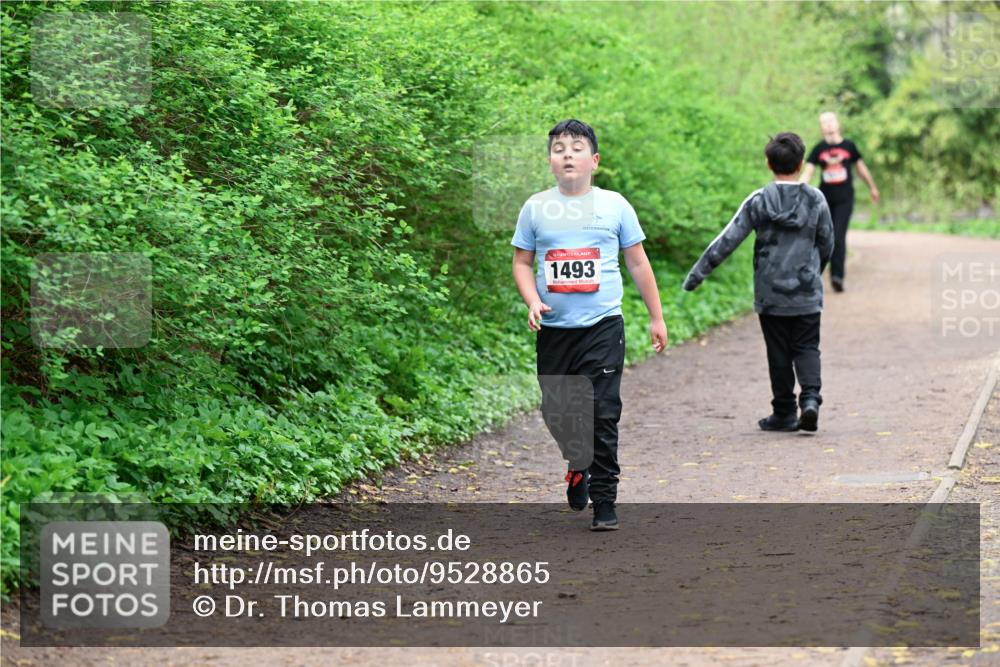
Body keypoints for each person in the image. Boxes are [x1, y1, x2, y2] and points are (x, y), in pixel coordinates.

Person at [511, 119, 668, 531]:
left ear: (593, 160)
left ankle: (605, 500)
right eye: (559, 148)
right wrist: (532, 300)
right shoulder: (535, 208)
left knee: (602, 412)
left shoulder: (615, 205)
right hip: (555, 329)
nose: (567, 153)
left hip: (602, 326)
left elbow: (637, 261)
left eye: (577, 147)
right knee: (557, 412)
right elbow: (522, 262)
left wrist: (656, 316)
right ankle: (577, 463)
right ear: (550, 161)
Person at [683, 133, 834, 432]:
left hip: (770, 292)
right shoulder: (816, 199)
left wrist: (697, 274)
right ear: (802, 163)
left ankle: (784, 413)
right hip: (806, 291)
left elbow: (727, 239)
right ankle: (811, 400)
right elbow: (827, 241)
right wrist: (816, 273)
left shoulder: (759, 200)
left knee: (778, 351)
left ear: (768, 163)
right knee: (806, 347)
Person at [801, 111, 880, 292]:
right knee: (822, 236)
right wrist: (796, 190)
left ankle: (837, 276)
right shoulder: (819, 148)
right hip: (824, 200)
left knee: (838, 235)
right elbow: (808, 171)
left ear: (838, 124)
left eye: (830, 121)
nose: (827, 125)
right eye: (824, 122)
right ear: (821, 127)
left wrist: (872, 187)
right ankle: (814, 275)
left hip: (845, 198)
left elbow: (861, 168)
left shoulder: (849, 146)